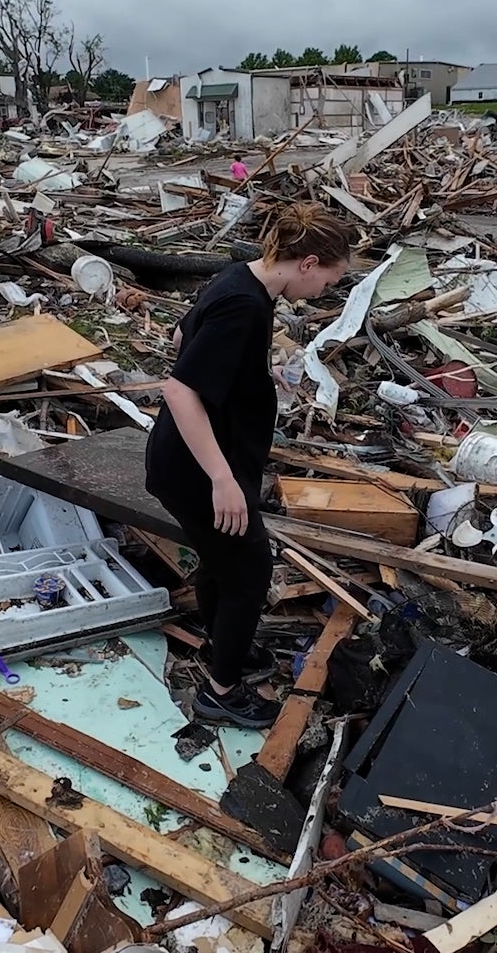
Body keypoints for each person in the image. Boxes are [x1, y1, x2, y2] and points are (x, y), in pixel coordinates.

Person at [145, 203, 355, 727]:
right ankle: (221, 692)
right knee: (249, 570)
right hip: (199, 468)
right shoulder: (244, 305)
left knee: (221, 561)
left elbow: (181, 339)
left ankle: (225, 651)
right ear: (307, 263)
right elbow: (179, 389)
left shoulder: (240, 280)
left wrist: (260, 377)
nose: (325, 293)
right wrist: (222, 478)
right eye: (330, 280)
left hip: (194, 459)